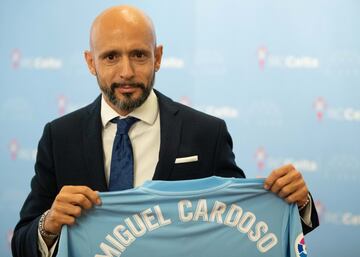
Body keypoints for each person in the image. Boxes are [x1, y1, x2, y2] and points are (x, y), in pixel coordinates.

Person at [11, 5, 319, 257]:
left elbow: (243, 226)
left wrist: (298, 204)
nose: (127, 72)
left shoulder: (206, 132)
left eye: (139, 55)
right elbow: (21, 242)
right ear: (90, 62)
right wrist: (49, 225)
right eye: (111, 57)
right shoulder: (59, 137)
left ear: (158, 57)